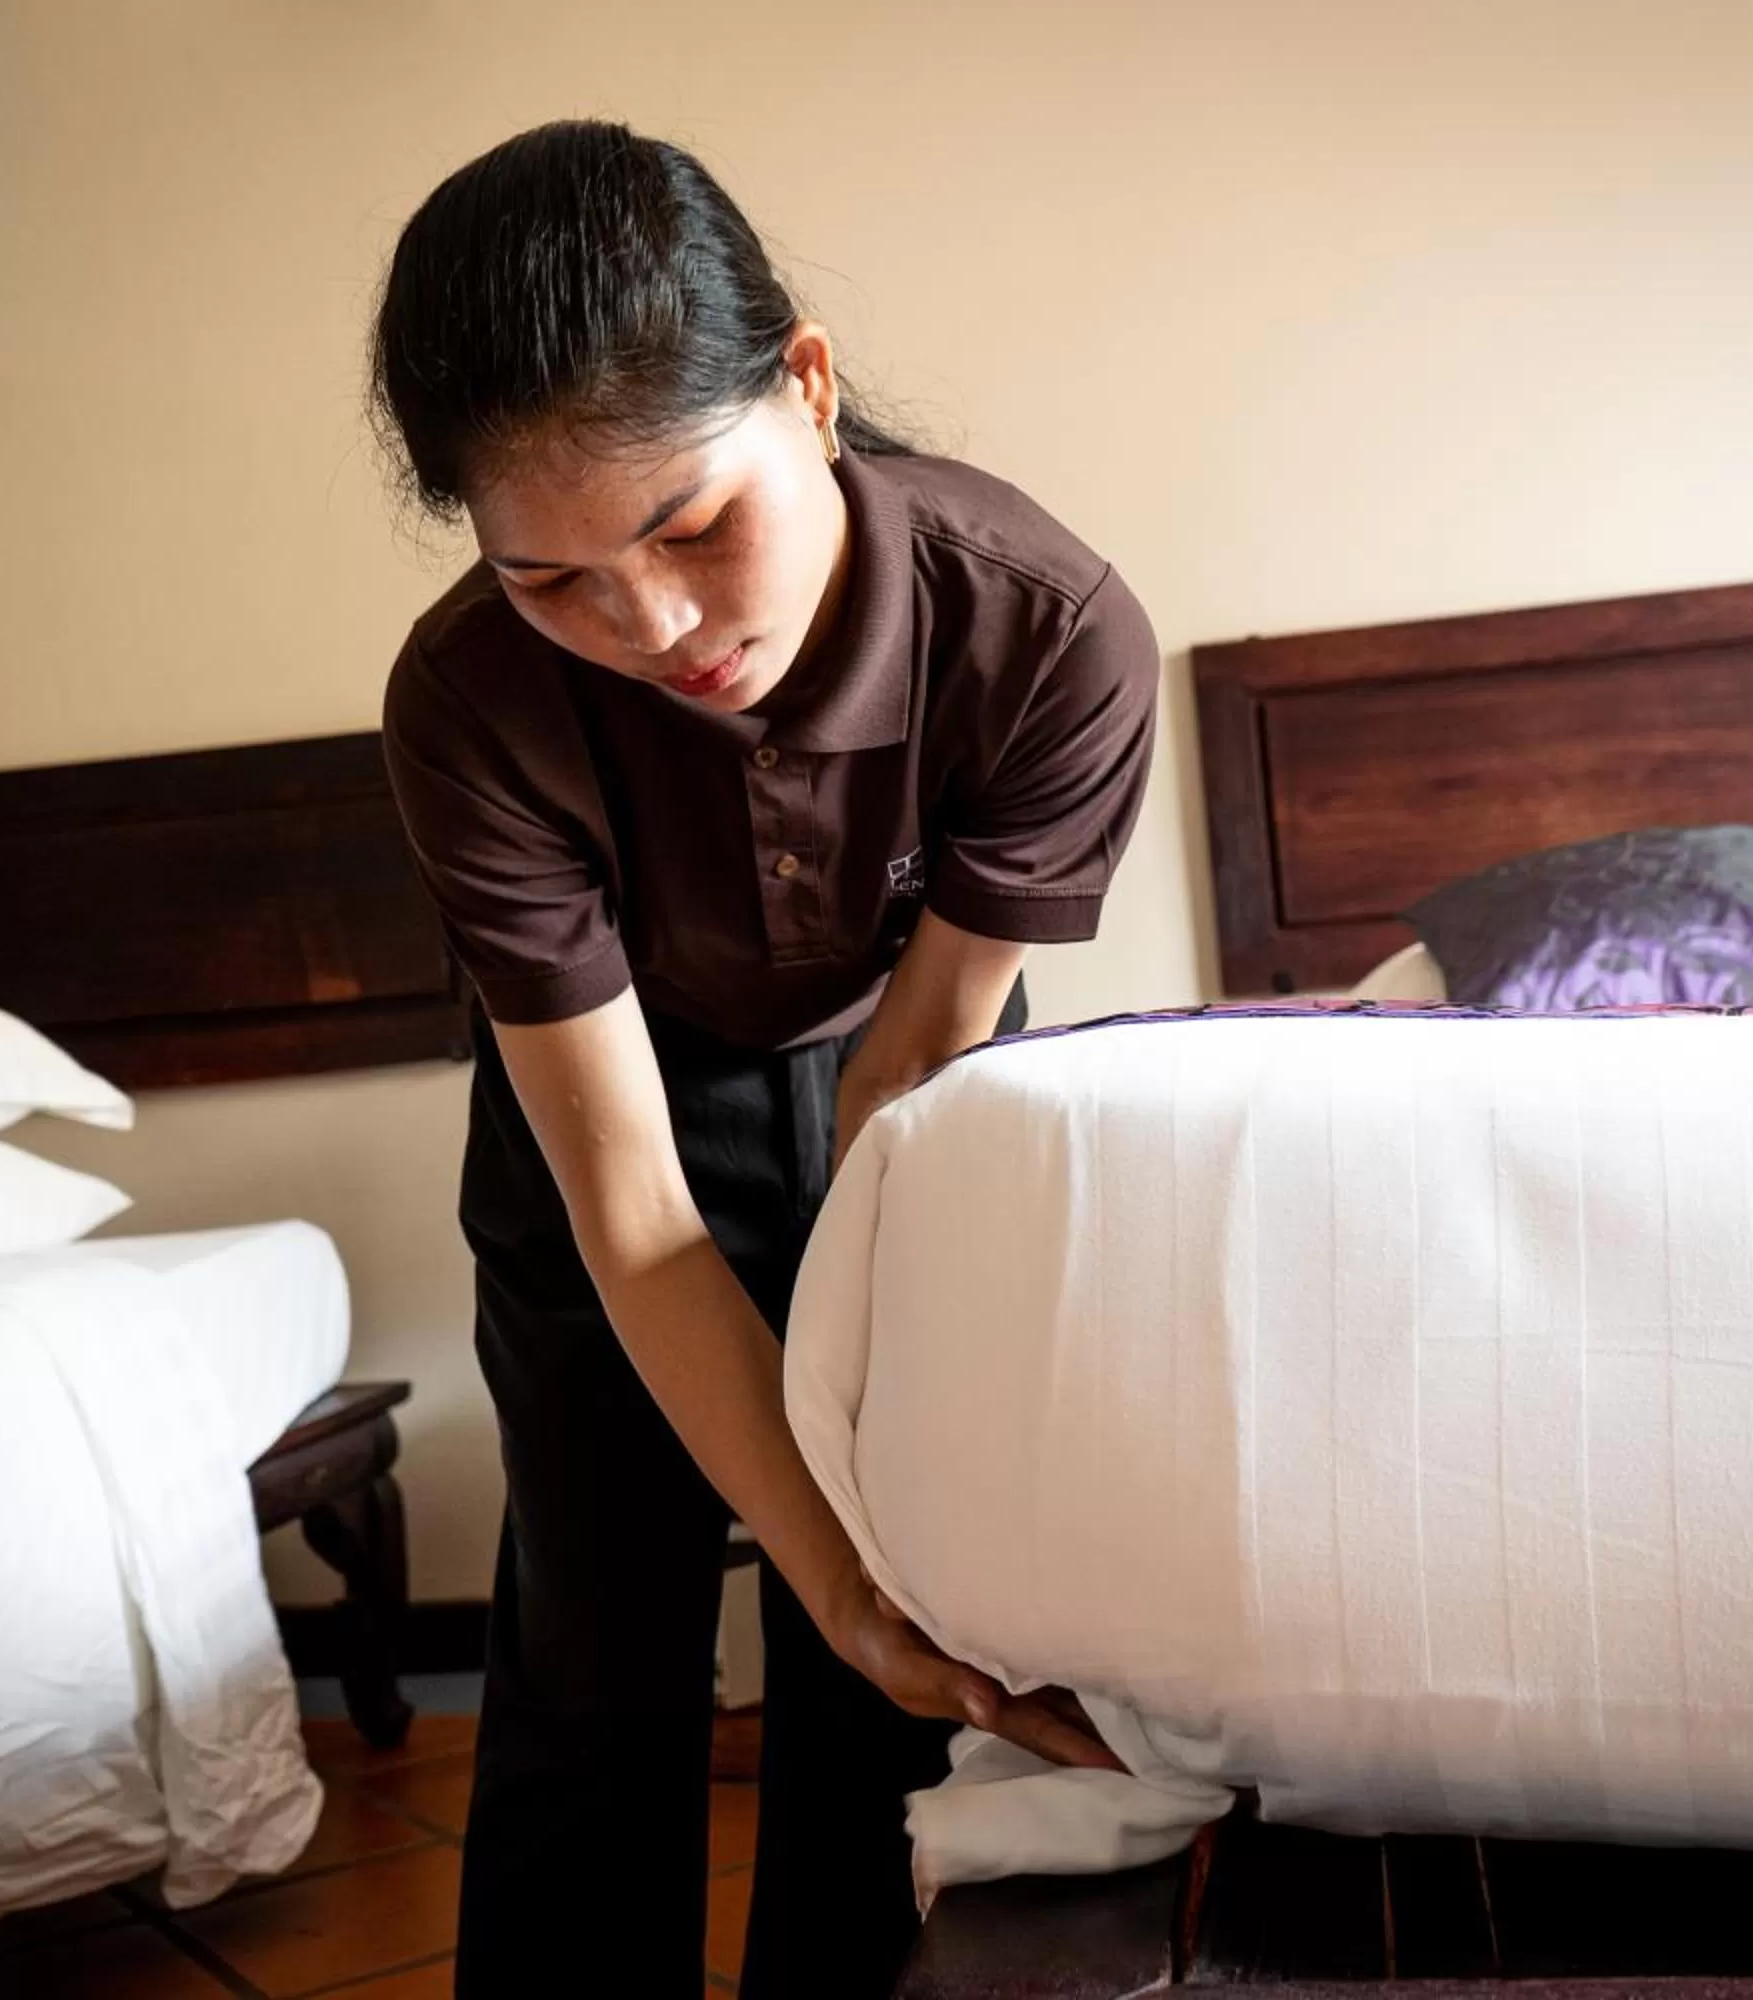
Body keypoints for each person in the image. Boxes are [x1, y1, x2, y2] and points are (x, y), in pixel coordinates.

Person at [368, 119, 1161, 1999]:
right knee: (593, 1633)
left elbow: (910, 1078)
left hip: (909, 1072)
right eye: (551, 577)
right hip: (609, 1111)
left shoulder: (1049, 634)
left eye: (689, 524)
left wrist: (850, 1570)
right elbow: (634, 1212)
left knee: (887, 1638)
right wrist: (799, 1556)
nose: (649, 629)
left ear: (806, 387)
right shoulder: (469, 703)